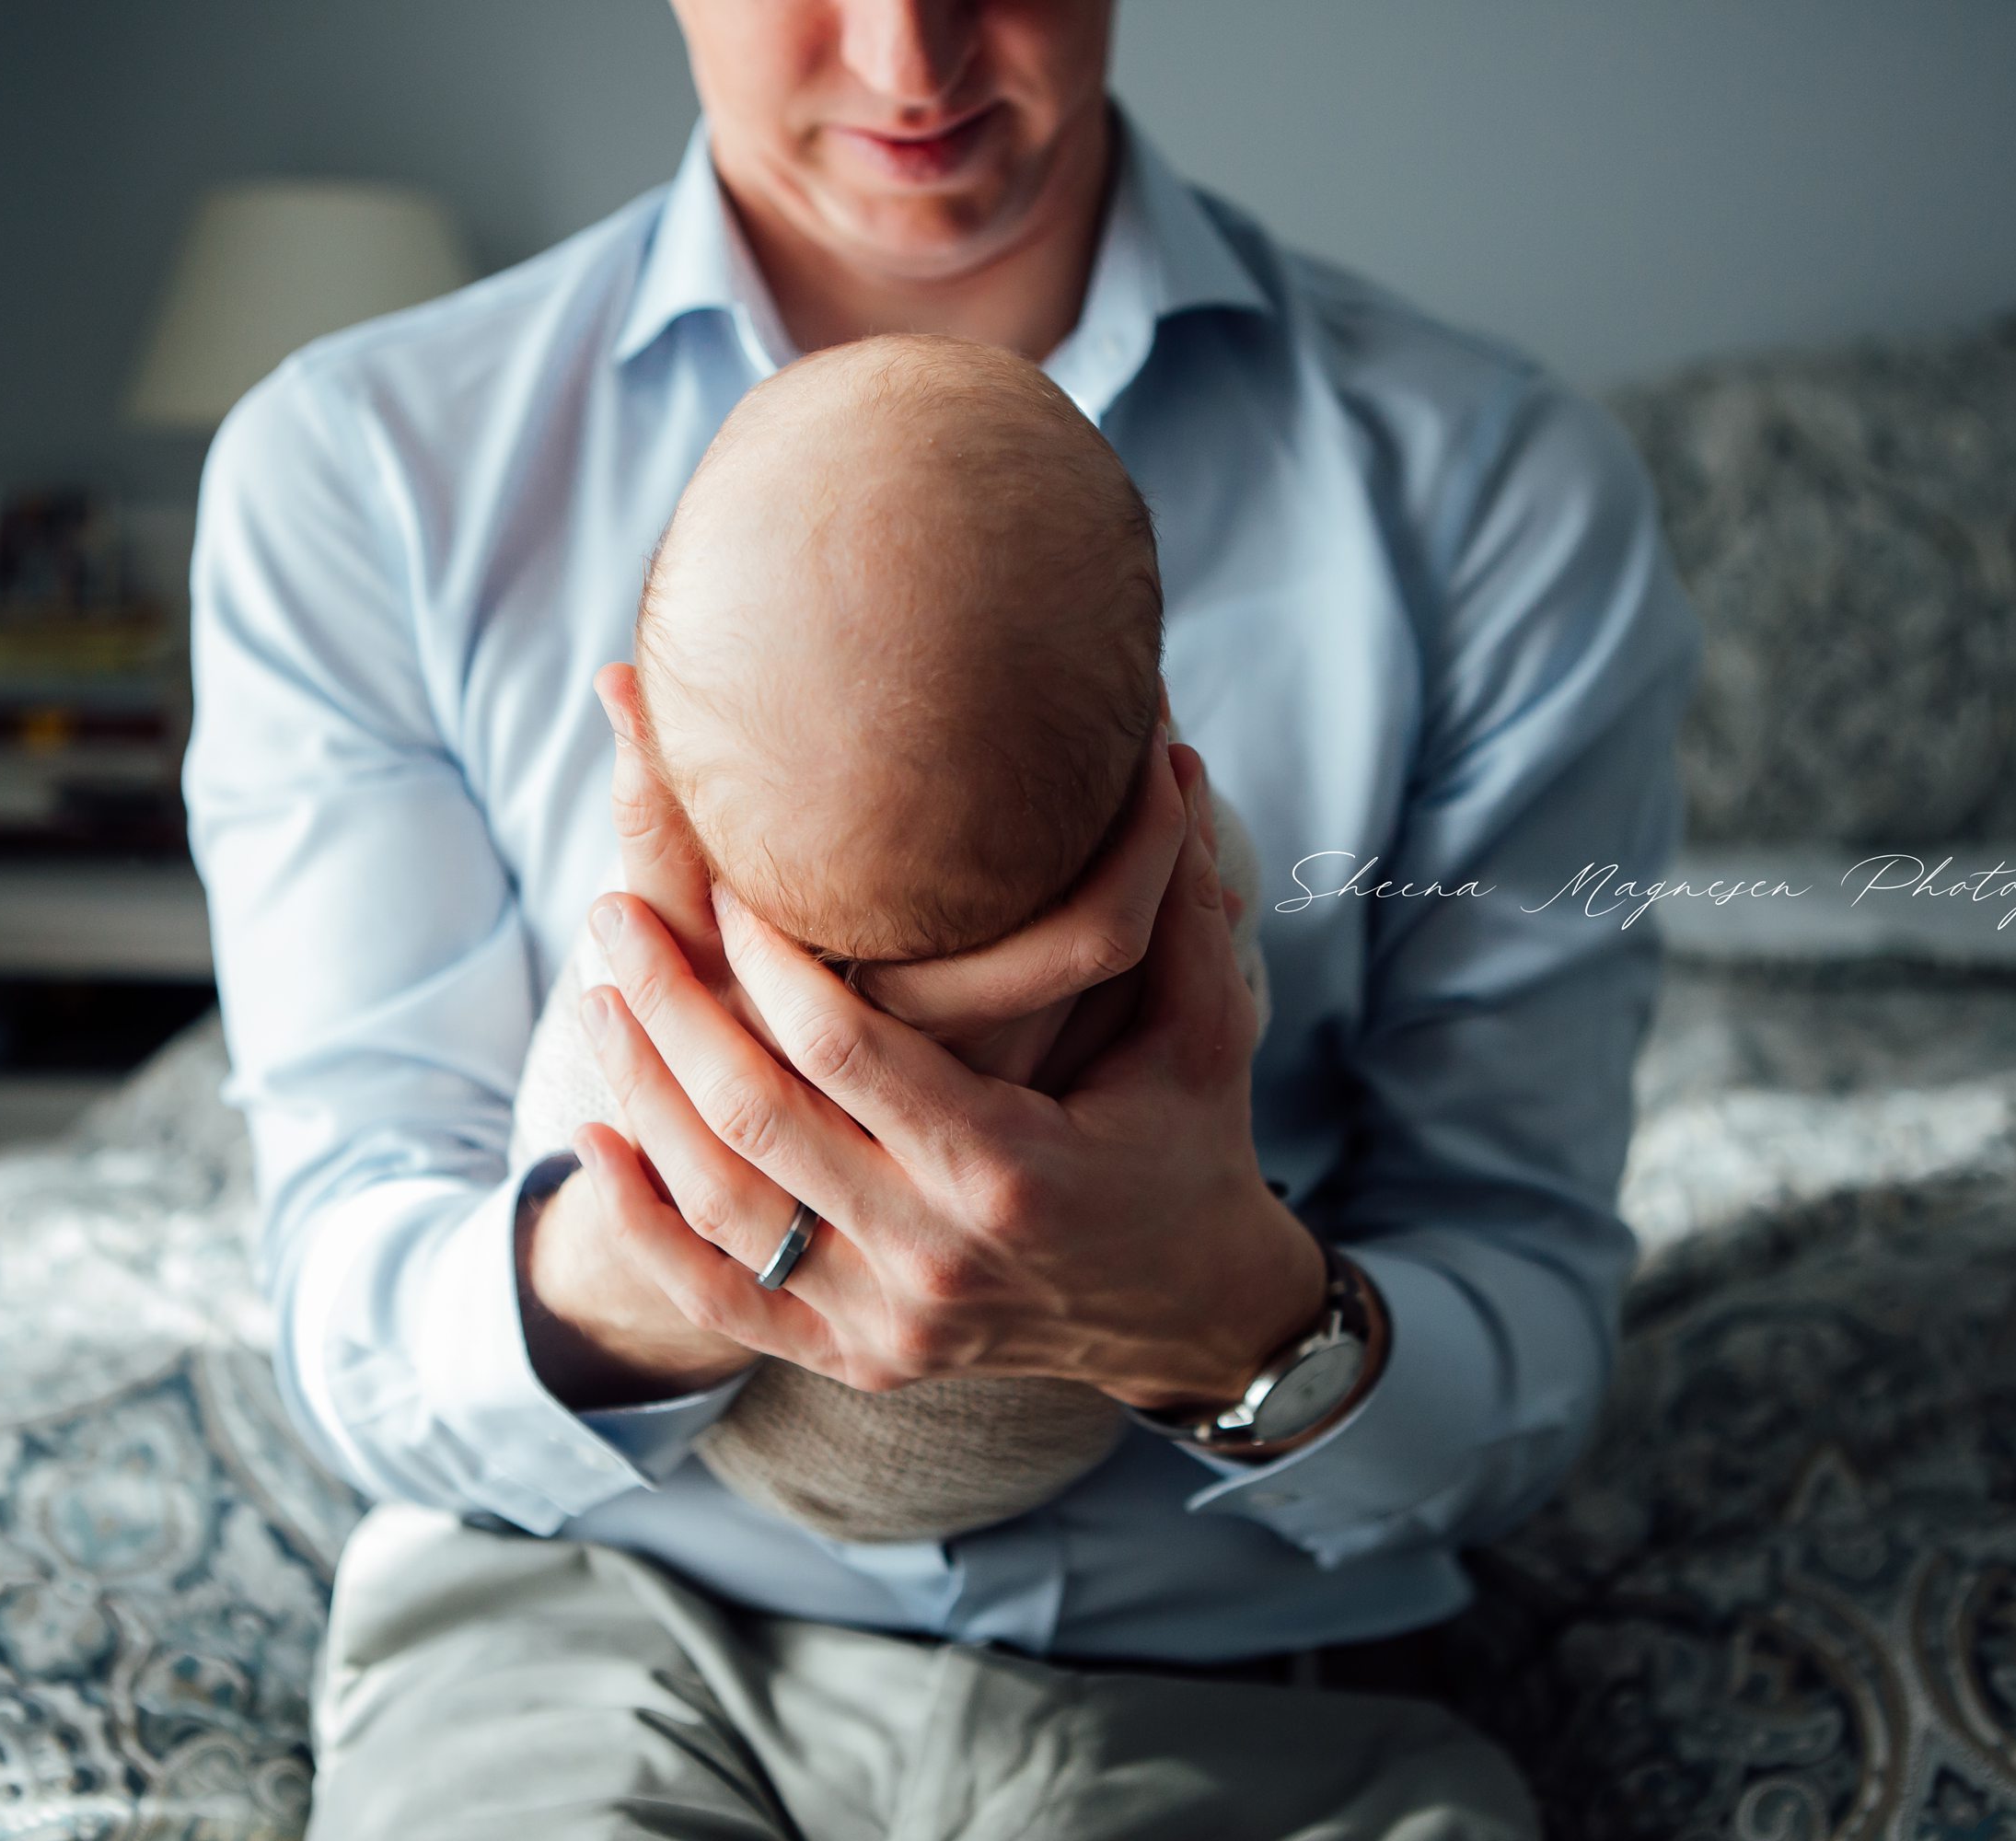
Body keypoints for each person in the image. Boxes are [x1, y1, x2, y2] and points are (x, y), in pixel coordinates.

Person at [183, 1, 1700, 1833]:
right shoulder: (361, 476)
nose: (916, 58)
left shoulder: (1498, 504)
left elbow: (1525, 1316)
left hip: (1243, 1693)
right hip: (580, 1628)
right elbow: (352, 1292)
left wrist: (1212, 1310)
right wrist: (641, 1269)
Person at [503, 332, 1278, 1546]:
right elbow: (367, 1332)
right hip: (992, 1459)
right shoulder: (1193, 868)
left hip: (775, 1466)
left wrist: (1228, 1313)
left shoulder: (665, 906)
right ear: (1154, 720)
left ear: (640, 731)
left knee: (623, 1013)